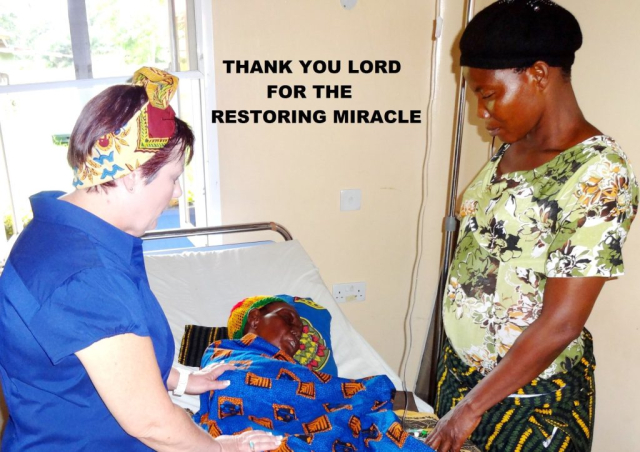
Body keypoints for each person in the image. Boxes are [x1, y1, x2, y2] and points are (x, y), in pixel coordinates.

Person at [0, 67, 281, 452]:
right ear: (131, 176)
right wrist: (223, 448)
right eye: (173, 177)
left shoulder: (59, 227)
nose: (177, 193)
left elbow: (101, 357)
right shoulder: (85, 277)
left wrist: (182, 379)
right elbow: (153, 424)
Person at [425, 2, 639, 452]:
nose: (480, 113)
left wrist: (468, 410)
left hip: (530, 405)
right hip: (463, 380)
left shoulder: (598, 173)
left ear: (538, 74)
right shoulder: (514, 147)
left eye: (488, 94)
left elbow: (562, 322)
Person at [194, 296, 435, 451]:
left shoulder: (297, 375)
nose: (297, 332)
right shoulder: (224, 354)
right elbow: (235, 388)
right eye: (288, 319)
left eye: (300, 330)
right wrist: (368, 392)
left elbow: (322, 396)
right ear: (255, 319)